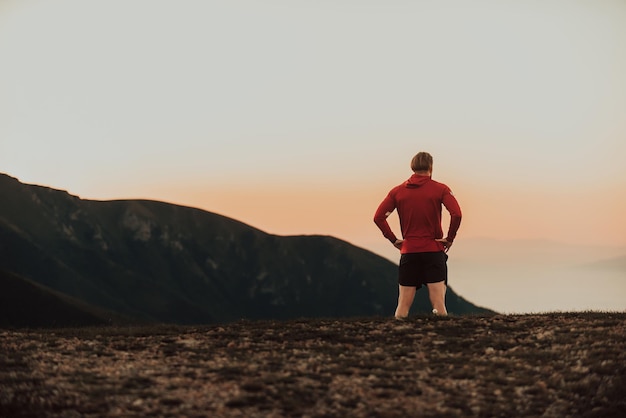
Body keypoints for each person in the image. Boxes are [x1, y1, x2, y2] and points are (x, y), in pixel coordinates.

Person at [374, 151, 462, 319]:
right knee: (438, 304)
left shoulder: (397, 191)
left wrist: (393, 239)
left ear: (412, 167)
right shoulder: (441, 189)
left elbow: (378, 217)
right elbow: (456, 214)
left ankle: (395, 340)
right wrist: (450, 238)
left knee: (403, 305)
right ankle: (444, 340)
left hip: (409, 252)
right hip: (433, 250)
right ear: (431, 167)